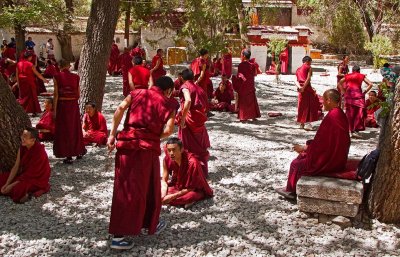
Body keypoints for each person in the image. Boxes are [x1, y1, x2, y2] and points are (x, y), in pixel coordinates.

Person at [107, 76, 177, 250]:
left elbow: (121, 108)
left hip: (126, 145)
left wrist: (112, 134)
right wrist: (152, 136)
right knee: (147, 188)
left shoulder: (137, 93)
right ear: (168, 91)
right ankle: (134, 230)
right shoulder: (169, 104)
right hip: (147, 150)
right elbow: (169, 130)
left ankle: (137, 227)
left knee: (124, 188)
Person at [275, 89, 351, 199]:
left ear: (329, 100)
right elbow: (326, 141)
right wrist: (308, 147)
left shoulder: (332, 116)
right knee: (302, 156)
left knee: (296, 164)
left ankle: (292, 191)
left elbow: (324, 145)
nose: (322, 103)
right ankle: (291, 188)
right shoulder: (339, 114)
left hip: (331, 160)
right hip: (339, 157)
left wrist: (305, 148)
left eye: (324, 100)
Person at [0, 128, 51, 203]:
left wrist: (10, 186)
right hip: (24, 176)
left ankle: (29, 194)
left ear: (33, 140)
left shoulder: (39, 151)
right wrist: (7, 183)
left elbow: (31, 174)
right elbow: (16, 167)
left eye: (25, 137)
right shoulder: (22, 148)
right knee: (1, 179)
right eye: (22, 136)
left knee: (18, 189)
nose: (22, 139)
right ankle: (12, 191)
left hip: (37, 179)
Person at [161, 137, 213, 208]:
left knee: (188, 196)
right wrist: (163, 193)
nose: (171, 153)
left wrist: (172, 196)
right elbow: (164, 179)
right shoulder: (167, 159)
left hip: (194, 189)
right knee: (156, 190)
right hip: (177, 185)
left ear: (181, 149)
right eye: (169, 150)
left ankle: (194, 198)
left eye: (174, 150)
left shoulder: (192, 163)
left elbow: (192, 187)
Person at [177, 68, 210, 178]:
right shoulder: (199, 88)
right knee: (200, 146)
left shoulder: (185, 86)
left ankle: (191, 172)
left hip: (189, 119)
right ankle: (203, 172)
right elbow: (205, 105)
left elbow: (188, 100)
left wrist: (182, 119)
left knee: (188, 146)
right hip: (199, 119)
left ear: (182, 77)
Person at [53, 59, 86, 164]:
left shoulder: (57, 77)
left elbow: (56, 95)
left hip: (62, 105)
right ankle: (79, 151)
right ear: (69, 66)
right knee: (75, 128)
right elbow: (78, 94)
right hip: (73, 105)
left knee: (64, 129)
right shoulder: (76, 77)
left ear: (59, 66)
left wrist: (54, 110)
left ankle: (68, 155)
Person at [338, 65, 373, 139]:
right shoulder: (361, 76)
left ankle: (350, 130)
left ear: (352, 70)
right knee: (359, 112)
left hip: (349, 95)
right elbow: (370, 84)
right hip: (358, 96)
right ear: (359, 71)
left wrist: (344, 91)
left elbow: (339, 83)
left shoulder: (348, 76)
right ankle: (355, 130)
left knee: (349, 113)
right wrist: (365, 92)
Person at [232, 49, 261, 122]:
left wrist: (234, 79)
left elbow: (240, 76)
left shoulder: (241, 65)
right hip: (250, 85)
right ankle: (253, 116)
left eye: (241, 54)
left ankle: (244, 116)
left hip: (243, 86)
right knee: (251, 100)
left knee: (244, 101)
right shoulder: (252, 65)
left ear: (244, 56)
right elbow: (255, 74)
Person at [16, 51, 48, 116]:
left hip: (21, 82)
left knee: (23, 96)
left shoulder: (18, 63)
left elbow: (17, 74)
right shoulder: (30, 64)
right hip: (29, 81)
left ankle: (22, 110)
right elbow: (37, 74)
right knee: (32, 97)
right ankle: (34, 111)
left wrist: (18, 83)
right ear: (29, 57)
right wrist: (44, 79)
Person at [295, 56, 320, 130]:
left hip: (300, 89)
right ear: (308, 61)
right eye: (310, 62)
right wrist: (304, 87)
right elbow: (308, 78)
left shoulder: (298, 69)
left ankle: (301, 124)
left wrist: (300, 87)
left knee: (302, 106)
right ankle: (309, 123)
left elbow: (295, 80)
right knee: (311, 105)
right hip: (306, 88)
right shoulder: (309, 67)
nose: (310, 63)